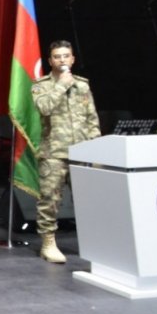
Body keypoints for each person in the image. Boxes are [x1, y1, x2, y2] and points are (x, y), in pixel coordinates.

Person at [31, 40, 100, 263]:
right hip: (54, 152)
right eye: (57, 56)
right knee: (50, 200)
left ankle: (94, 241)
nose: (62, 60)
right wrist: (61, 85)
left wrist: (96, 148)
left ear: (72, 59)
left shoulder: (82, 85)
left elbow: (92, 119)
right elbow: (44, 108)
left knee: (88, 198)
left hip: (82, 152)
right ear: (50, 61)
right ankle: (48, 243)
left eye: (66, 56)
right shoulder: (41, 86)